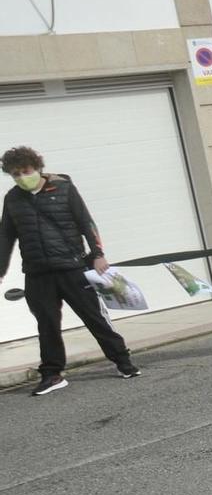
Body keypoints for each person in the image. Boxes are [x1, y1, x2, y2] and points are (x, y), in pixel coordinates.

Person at [0, 146, 139, 395]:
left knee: (94, 317)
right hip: (37, 273)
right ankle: (52, 374)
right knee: (47, 324)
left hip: (72, 268)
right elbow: (5, 237)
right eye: (15, 173)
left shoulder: (64, 189)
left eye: (26, 171)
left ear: (37, 168)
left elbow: (86, 223)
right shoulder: (12, 199)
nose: (22, 176)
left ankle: (123, 361)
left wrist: (97, 255)